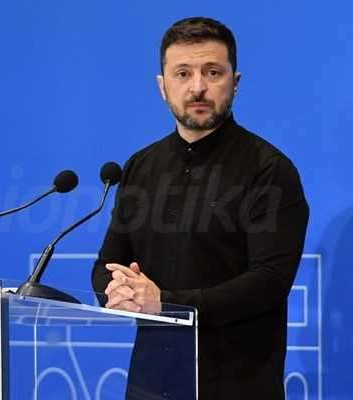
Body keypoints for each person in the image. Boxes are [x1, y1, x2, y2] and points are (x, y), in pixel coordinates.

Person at [91, 17, 309, 400]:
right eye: (183, 73)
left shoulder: (269, 170)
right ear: (162, 86)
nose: (197, 87)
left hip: (238, 385)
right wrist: (118, 290)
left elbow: (269, 282)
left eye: (212, 72)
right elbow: (108, 263)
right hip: (150, 384)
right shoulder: (140, 166)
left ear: (235, 83)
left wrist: (165, 304)